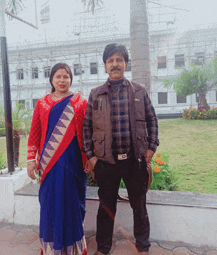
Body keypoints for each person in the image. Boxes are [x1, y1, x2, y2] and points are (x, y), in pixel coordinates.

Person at [83, 44, 159, 255]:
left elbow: (152, 119)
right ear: (105, 65)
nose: (115, 64)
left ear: (126, 64)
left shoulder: (138, 91)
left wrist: (152, 146)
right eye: (110, 60)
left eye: (119, 60)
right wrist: (91, 157)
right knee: (106, 209)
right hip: (106, 163)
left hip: (135, 161)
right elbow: (86, 127)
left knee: (139, 207)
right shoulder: (95, 94)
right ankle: (104, 248)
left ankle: (143, 247)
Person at [27, 63, 88, 255]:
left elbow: (88, 133)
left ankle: (72, 247)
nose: (62, 80)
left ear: (71, 79)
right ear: (52, 80)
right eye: (58, 77)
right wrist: (31, 160)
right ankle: (52, 245)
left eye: (66, 77)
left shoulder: (80, 103)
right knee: (49, 203)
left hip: (73, 164)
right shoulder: (42, 104)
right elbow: (35, 133)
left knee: (71, 204)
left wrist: (90, 159)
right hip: (48, 164)